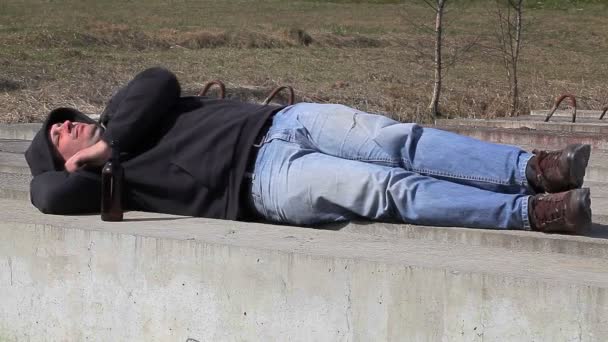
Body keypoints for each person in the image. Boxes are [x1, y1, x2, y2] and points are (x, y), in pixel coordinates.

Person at [25, 67, 593, 234]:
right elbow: (46, 196)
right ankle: (531, 212)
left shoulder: (123, 109)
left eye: (61, 123)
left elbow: (161, 79)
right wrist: (89, 165)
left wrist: (109, 139)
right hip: (261, 183)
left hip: (283, 120)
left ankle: (536, 170)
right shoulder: (97, 182)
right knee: (387, 187)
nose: (64, 129)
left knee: (400, 138)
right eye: (55, 139)